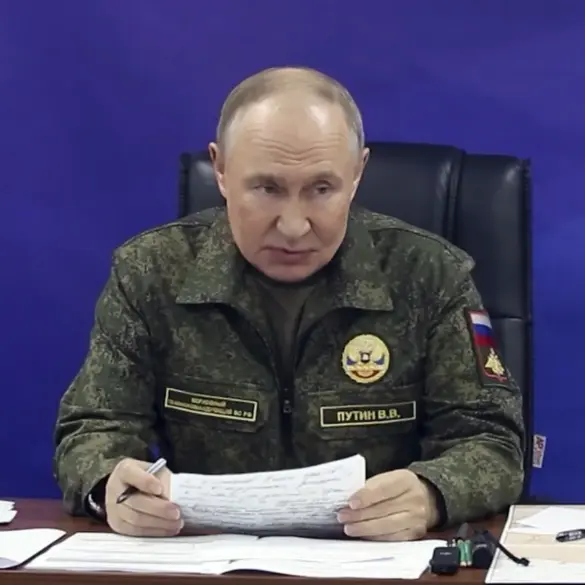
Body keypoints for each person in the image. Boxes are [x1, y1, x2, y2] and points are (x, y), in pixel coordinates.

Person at [53, 66, 525, 541]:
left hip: (372, 559)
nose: (294, 226)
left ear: (357, 173)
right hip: (205, 560)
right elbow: (93, 430)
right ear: (220, 170)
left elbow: (491, 442)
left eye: (321, 189)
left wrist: (431, 494)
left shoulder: (429, 275)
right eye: (267, 188)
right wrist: (109, 485)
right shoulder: (150, 272)